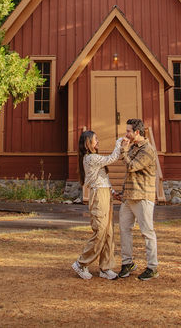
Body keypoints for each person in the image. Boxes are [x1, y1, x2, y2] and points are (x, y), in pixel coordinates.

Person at [71, 129, 124, 280]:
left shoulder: (95, 158)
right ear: (88, 144)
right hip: (98, 196)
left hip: (106, 193)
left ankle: (105, 268)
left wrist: (113, 192)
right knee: (100, 231)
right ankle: (81, 263)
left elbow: (104, 178)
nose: (98, 141)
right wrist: (119, 143)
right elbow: (113, 158)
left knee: (108, 232)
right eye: (96, 139)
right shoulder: (90, 158)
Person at [117, 118, 158, 280]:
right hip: (129, 196)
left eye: (128, 131)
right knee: (124, 229)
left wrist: (124, 151)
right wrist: (122, 192)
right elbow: (129, 173)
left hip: (142, 196)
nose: (125, 134)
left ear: (137, 132)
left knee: (147, 232)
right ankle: (127, 263)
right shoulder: (133, 147)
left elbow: (133, 166)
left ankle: (152, 267)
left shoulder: (148, 150)